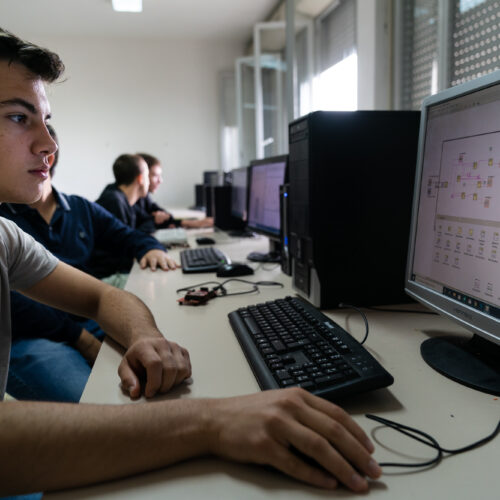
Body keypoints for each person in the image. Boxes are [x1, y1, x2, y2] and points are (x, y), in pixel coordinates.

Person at [0, 27, 381, 496]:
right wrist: (210, 421)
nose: (49, 144)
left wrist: (146, 337)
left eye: (46, 120)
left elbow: (102, 297)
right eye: (18, 117)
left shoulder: (6, 236)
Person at [0, 124, 180, 403]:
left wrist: (151, 248)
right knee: (102, 403)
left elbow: (106, 283)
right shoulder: (8, 224)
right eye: (18, 118)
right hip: (31, 335)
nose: (47, 145)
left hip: (82, 318)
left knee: (161, 373)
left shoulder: (77, 208)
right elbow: (17, 306)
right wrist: (79, 336)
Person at [135, 152, 214, 231]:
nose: (160, 181)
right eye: (155, 175)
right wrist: (190, 223)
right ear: (141, 176)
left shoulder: (144, 197)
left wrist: (161, 218)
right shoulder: (132, 202)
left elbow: (164, 215)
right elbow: (143, 224)